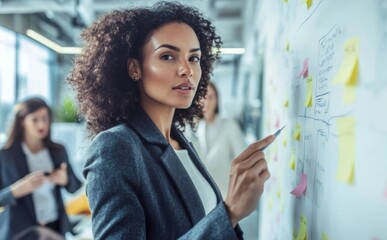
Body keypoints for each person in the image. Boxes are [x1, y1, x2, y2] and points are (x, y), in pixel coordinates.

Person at [68, 2, 275, 239]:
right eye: (168, 56)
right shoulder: (115, 147)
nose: (187, 70)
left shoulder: (179, 140)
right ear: (134, 68)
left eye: (194, 58)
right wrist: (229, 213)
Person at [0, 97, 82, 239]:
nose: (42, 124)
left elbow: (75, 187)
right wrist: (17, 190)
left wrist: (65, 180)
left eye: (45, 118)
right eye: (35, 119)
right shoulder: (6, 155)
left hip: (55, 228)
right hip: (20, 231)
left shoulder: (58, 151)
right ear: (22, 122)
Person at [197, 82, 245, 198]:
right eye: (203, 96)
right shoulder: (196, 129)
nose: (207, 101)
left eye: (211, 97)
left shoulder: (230, 125)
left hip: (227, 194)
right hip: (205, 196)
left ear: (217, 99)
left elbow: (243, 160)